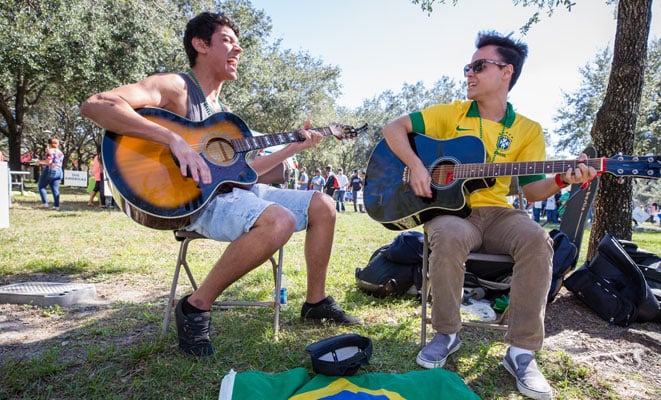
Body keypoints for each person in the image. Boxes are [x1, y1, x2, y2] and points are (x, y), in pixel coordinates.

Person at [81, 12, 360, 357]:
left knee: (323, 205)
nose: (238, 49)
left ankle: (315, 303)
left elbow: (245, 174)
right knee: (280, 220)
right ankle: (195, 306)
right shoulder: (176, 87)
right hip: (196, 201)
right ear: (200, 44)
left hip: (230, 195)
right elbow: (97, 104)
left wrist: (293, 148)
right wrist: (172, 139)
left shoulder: (222, 113)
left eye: (237, 42)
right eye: (228, 40)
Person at [381, 31, 596, 400]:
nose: (469, 73)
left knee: (537, 240)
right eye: (469, 66)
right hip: (453, 213)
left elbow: (530, 190)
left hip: (499, 212)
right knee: (446, 236)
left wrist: (562, 178)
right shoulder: (451, 113)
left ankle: (521, 352)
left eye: (479, 66)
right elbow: (392, 129)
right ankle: (446, 333)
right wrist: (417, 166)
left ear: (506, 72)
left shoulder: (527, 130)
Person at [36, 137, 64, 210]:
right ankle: (56, 205)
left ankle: (44, 203)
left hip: (50, 169)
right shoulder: (60, 152)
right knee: (55, 189)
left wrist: (39, 162)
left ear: (49, 144)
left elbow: (49, 161)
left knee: (41, 186)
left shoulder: (50, 151)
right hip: (59, 170)